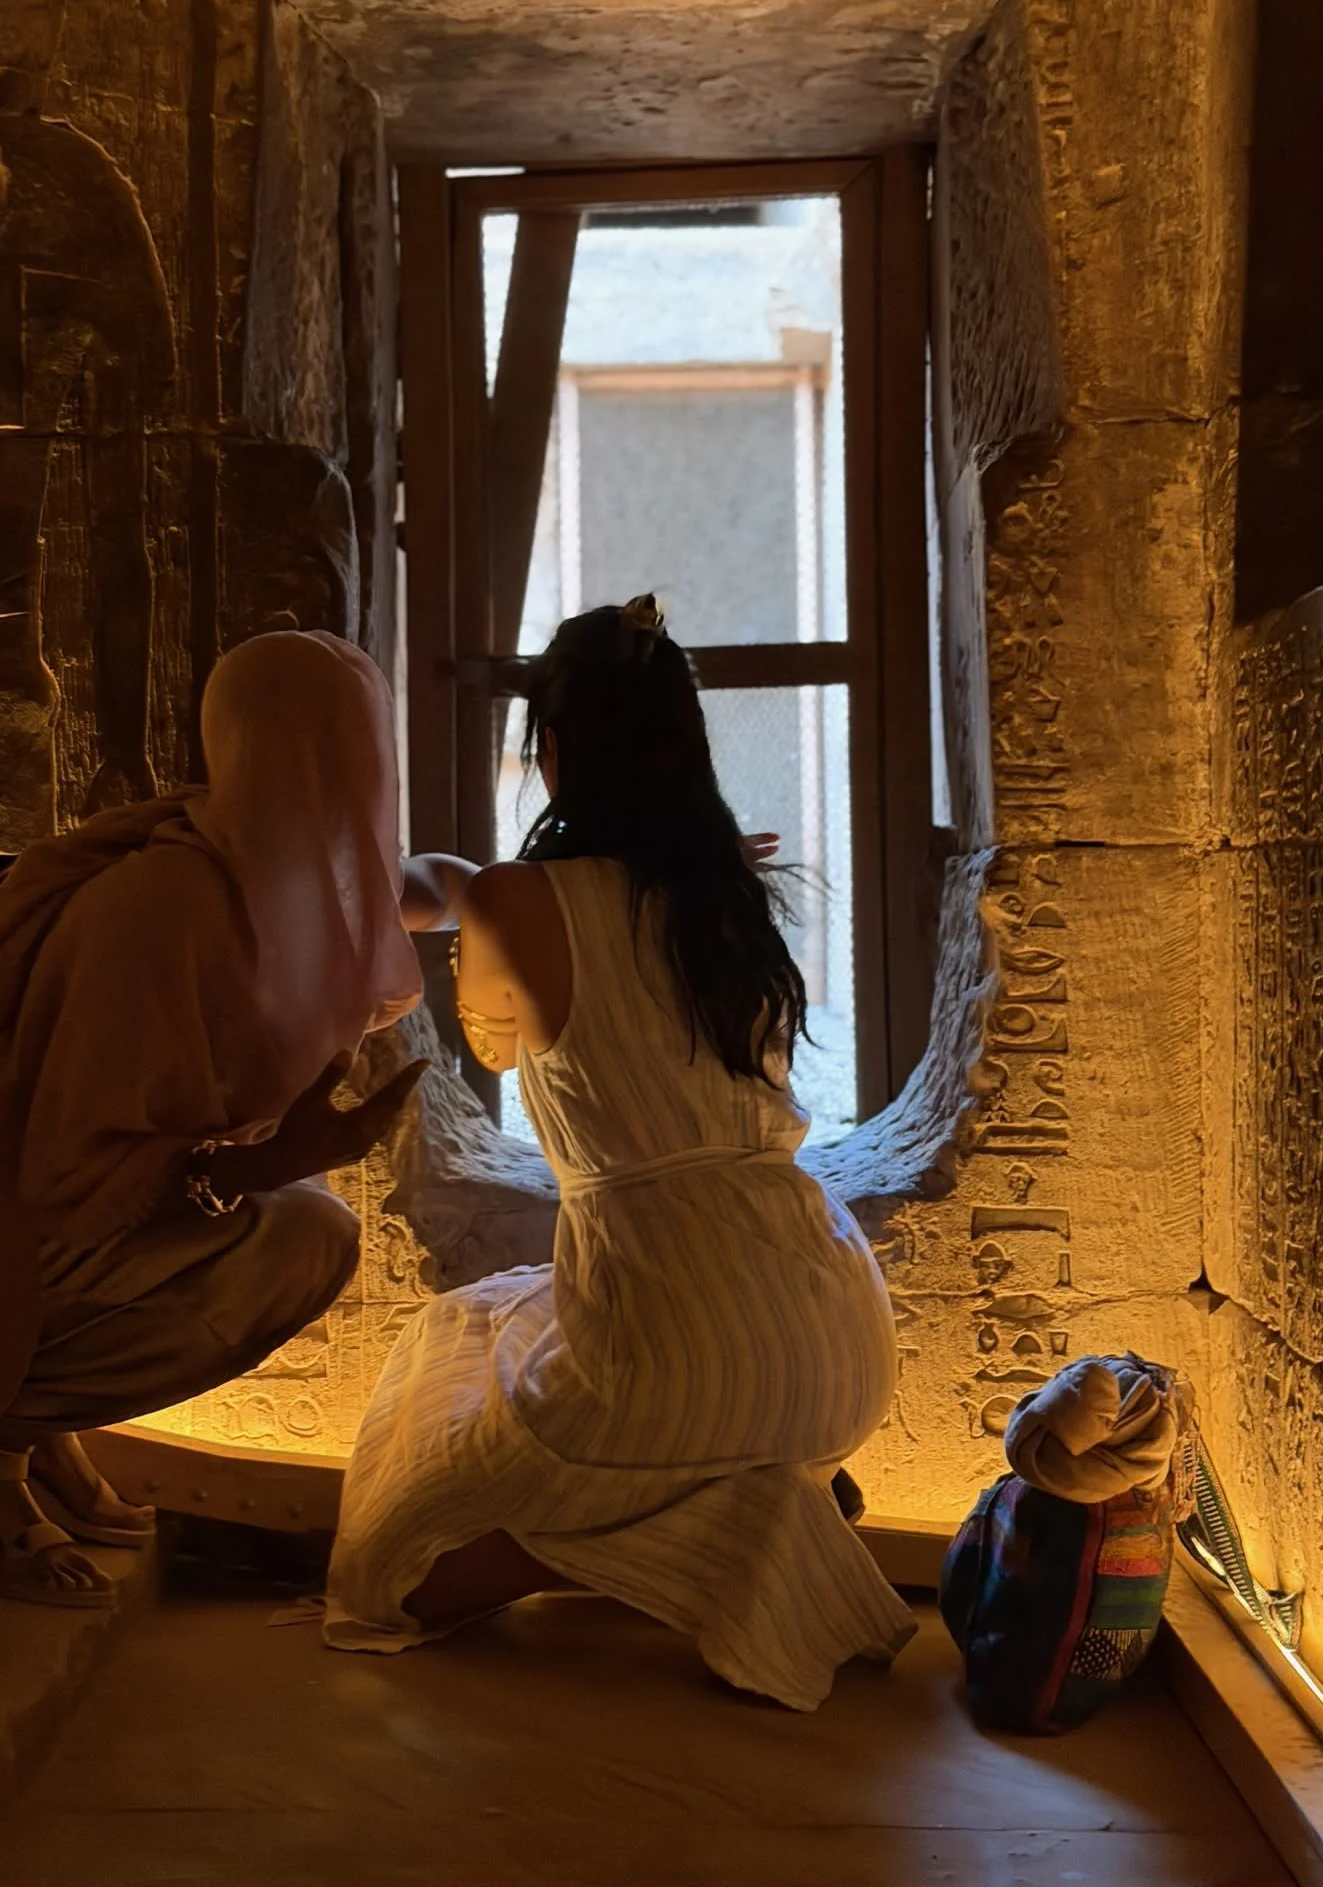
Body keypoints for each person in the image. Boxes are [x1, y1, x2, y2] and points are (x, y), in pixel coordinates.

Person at [325, 597, 915, 1711]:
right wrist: (487, 890)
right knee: (516, 1324)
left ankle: (688, 1521)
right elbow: (492, 894)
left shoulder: (523, 900)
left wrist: (461, 892)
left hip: (667, 1324)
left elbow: (499, 1022)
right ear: (683, 747)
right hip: (839, 1327)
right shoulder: (732, 896)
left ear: (553, 748)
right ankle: (775, 1489)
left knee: (388, 1571)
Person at [0, 630, 471, 1608]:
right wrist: (267, 1161)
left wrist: (572, 880)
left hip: (64, 1207)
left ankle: (20, 1419)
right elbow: (66, 1180)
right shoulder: (165, 906)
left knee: (308, 1219)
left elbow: (428, 885)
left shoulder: (277, 873)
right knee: (303, 1237)